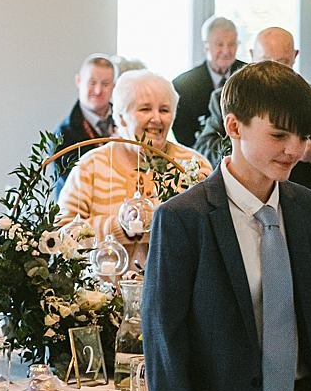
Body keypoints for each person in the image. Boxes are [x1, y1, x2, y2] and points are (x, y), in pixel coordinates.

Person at [143, 61, 311, 391]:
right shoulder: (184, 220)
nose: (294, 149)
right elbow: (166, 354)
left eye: (302, 135)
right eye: (279, 134)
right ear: (234, 127)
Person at [56, 69, 211, 254]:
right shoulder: (90, 166)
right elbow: (62, 237)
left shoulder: (194, 165)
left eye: (164, 110)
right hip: (104, 283)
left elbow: (211, 233)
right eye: (145, 109)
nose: (156, 118)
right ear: (121, 117)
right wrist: (120, 227)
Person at [193, 28, 311, 197]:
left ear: (295, 56)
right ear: (252, 56)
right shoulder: (228, 96)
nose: (274, 71)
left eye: (282, 62)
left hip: (305, 206)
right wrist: (244, 147)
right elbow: (203, 150)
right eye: (265, 62)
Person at [171, 16, 246, 147]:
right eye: (220, 44)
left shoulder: (249, 75)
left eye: (232, 44)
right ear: (206, 46)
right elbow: (184, 136)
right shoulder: (183, 85)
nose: (226, 51)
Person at [52, 53, 117, 191]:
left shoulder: (126, 121)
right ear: (79, 81)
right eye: (92, 82)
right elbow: (74, 185)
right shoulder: (63, 135)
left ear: (114, 86)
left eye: (105, 84)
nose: (98, 91)